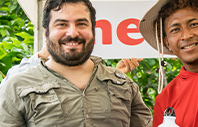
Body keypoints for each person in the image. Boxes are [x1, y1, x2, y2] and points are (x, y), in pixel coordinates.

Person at [0, 0, 152, 127]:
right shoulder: (16, 87)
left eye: (81, 24)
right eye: (62, 24)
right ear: (45, 34)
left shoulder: (124, 85)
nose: (72, 33)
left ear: (93, 31)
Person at [1, 44, 142, 86]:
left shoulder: (92, 68)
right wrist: (42, 55)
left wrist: (116, 73)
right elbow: (8, 86)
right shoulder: (32, 68)